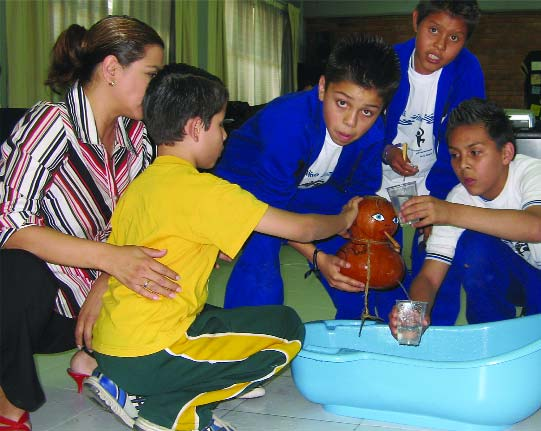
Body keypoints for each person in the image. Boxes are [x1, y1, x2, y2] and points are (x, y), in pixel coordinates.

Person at [89, 63, 361, 431]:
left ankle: (128, 387)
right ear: (194, 127)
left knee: (215, 315)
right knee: (285, 328)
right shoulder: (204, 190)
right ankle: (172, 413)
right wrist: (344, 220)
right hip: (153, 353)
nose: (225, 137)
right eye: (219, 125)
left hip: (114, 348)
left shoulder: (140, 186)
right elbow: (301, 225)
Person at [0, 16, 181, 431]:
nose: (158, 90)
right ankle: (9, 404)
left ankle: (95, 357)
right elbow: (10, 226)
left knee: (173, 274)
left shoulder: (138, 137)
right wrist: (112, 260)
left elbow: (142, 222)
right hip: (37, 300)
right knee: (13, 271)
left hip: (93, 292)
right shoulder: (50, 124)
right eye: (151, 75)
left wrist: (108, 278)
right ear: (113, 69)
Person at [213, 33, 401, 320]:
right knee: (262, 258)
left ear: (381, 110)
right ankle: (248, 342)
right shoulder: (287, 124)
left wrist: (357, 233)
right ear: (323, 88)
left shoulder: (374, 133)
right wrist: (316, 256)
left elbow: (356, 198)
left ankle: (365, 334)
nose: (351, 123)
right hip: (249, 191)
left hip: (304, 190)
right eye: (342, 103)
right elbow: (272, 215)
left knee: (367, 250)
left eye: (367, 111)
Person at [388, 97, 541, 338]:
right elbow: (429, 276)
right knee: (474, 246)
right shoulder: (458, 197)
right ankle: (491, 339)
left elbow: (536, 227)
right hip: (524, 279)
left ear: (506, 153)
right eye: (455, 155)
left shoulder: (532, 173)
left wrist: (450, 212)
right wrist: (413, 311)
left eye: (475, 152)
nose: (463, 165)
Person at [375, 0, 485, 323]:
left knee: (436, 256)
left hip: (435, 180)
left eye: (455, 38)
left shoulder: (467, 70)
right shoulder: (388, 62)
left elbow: (464, 138)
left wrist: (437, 203)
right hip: (382, 179)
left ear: (465, 42)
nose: (440, 45)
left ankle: (428, 333)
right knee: (381, 264)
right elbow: (362, 122)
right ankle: (390, 331)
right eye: (433, 30)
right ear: (416, 22)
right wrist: (386, 150)